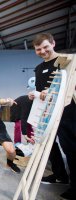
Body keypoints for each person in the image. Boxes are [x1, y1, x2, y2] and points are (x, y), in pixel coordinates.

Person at [29, 33, 76, 199]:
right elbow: (43, 92)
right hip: (48, 113)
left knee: (70, 148)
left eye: (45, 47)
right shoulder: (39, 69)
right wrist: (35, 94)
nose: (42, 51)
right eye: (38, 49)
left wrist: (52, 92)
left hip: (68, 112)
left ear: (53, 43)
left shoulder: (68, 62)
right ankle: (60, 175)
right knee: (47, 146)